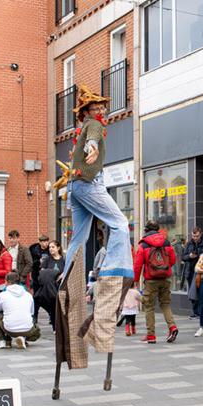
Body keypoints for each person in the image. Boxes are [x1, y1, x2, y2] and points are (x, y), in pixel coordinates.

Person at [61, 86, 134, 368]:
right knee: (119, 223)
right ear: (88, 112)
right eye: (97, 107)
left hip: (76, 186)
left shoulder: (86, 127)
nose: (102, 111)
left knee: (79, 238)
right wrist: (92, 149)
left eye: (103, 107)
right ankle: (114, 269)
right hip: (89, 184)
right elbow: (93, 137)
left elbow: (88, 140)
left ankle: (68, 279)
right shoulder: (92, 126)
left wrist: (89, 150)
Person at [134, 220, 178, 343]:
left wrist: (136, 280)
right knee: (165, 304)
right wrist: (163, 267)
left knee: (149, 306)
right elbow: (173, 260)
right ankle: (172, 326)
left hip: (151, 280)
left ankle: (151, 335)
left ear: (146, 230)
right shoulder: (166, 242)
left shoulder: (143, 245)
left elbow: (137, 265)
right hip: (165, 278)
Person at [0, 271, 40, 350]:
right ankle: (23, 338)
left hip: (10, 329)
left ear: (7, 282)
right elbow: (32, 312)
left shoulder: (3, 294)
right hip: (28, 329)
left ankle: (2, 340)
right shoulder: (28, 294)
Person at [34, 240, 66, 326]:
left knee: (59, 308)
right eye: (50, 247)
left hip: (59, 287)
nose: (51, 249)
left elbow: (66, 272)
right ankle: (54, 327)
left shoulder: (63, 260)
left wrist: (62, 275)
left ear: (58, 248)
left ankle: (58, 324)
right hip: (49, 287)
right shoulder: (47, 260)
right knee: (50, 305)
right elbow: (42, 273)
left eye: (53, 247)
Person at [182, 227, 203, 317]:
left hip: (201, 271)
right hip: (190, 271)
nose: (195, 238)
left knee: (201, 292)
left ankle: (201, 312)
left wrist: (199, 256)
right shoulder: (188, 244)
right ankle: (195, 312)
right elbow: (183, 257)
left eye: (196, 236)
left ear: (200, 235)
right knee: (192, 292)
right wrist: (189, 256)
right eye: (193, 236)